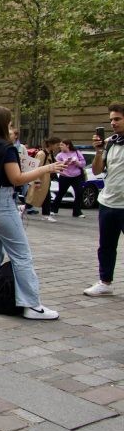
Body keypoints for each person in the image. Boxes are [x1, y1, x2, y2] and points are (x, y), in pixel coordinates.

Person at [0, 106, 66, 320]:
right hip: (1, 203)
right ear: (3, 124)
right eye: (11, 124)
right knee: (21, 254)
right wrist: (46, 169)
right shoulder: (5, 148)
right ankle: (31, 305)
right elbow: (17, 178)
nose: (13, 129)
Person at [85, 103, 124, 297]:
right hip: (108, 202)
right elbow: (97, 171)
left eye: (117, 119)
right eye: (111, 119)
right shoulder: (111, 143)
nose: (113, 123)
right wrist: (99, 151)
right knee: (106, 245)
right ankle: (105, 282)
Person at [25, 137, 61, 222]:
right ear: (51, 144)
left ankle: (45, 214)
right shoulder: (42, 154)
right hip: (41, 178)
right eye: (57, 145)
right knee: (33, 197)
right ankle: (24, 208)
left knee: (44, 197)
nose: (58, 147)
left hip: (46, 179)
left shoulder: (50, 153)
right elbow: (36, 167)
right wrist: (37, 180)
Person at [52, 139, 86, 218]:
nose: (60, 147)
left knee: (79, 193)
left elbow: (83, 163)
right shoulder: (60, 155)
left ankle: (77, 212)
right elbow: (56, 164)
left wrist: (77, 162)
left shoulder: (77, 152)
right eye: (60, 145)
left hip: (76, 176)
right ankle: (53, 209)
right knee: (61, 193)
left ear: (68, 145)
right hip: (65, 176)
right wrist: (65, 163)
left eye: (62, 145)